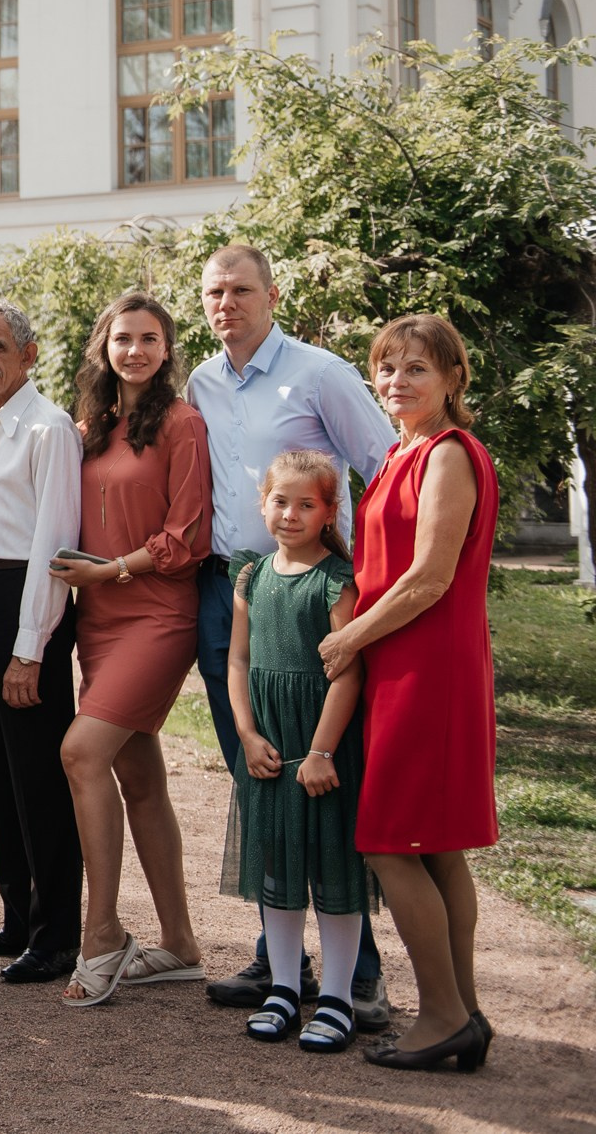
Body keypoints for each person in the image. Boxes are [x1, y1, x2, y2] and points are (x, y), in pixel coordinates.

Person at [187, 244, 395, 1024]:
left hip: (316, 590)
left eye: (241, 289)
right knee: (257, 772)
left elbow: (384, 467)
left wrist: (370, 588)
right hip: (232, 589)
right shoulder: (202, 381)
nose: (226, 303)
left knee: (329, 770)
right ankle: (282, 964)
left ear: (271, 294)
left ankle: (360, 974)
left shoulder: (319, 373)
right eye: (214, 292)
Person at [319, 315, 500, 1071]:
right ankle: (464, 1011)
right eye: (387, 369)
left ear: (453, 378)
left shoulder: (449, 455)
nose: (397, 382)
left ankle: (443, 1016)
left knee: (392, 844)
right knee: (439, 851)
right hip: (406, 663)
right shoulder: (402, 451)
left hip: (428, 667)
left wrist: (350, 637)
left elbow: (429, 577)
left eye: (416, 369)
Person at [50, 291, 209, 1006]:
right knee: (138, 776)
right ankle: (179, 943)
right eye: (124, 338)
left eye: (150, 338)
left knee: (82, 752)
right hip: (97, 619)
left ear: (168, 349)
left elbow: (188, 537)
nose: (136, 350)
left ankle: (103, 932)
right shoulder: (90, 427)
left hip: (157, 613)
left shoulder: (183, 424)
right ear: (104, 348)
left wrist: (111, 570)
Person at [0, 301, 84, 985]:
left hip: (23, 603)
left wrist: (31, 646)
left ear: (28, 355)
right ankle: (17, 915)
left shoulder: (48, 427)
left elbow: (53, 543)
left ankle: (57, 932)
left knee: (38, 775)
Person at [223, 451, 370, 1052]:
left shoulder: (337, 579)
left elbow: (348, 672)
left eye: (307, 504)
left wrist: (322, 752)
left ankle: (336, 996)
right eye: (280, 501)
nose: (290, 514)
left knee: (332, 864)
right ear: (262, 503)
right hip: (267, 742)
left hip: (318, 745)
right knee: (276, 866)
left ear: (329, 511)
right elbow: (236, 660)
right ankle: (284, 988)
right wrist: (248, 734)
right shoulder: (250, 576)